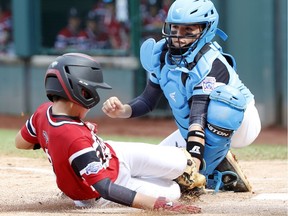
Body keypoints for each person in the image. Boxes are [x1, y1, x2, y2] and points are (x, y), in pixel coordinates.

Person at [102, 0, 261, 193]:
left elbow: (198, 116)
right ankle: (220, 173)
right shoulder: (161, 55)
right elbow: (147, 100)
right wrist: (123, 110)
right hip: (196, 128)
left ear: (206, 30)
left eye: (188, 30)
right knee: (151, 169)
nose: (178, 36)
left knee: (221, 108)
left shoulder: (211, 64)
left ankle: (206, 168)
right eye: (175, 28)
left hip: (241, 123)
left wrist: (191, 166)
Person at [14, 52, 203, 214]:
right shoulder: (73, 138)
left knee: (180, 162)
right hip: (100, 192)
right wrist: (158, 204)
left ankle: (170, 171)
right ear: (80, 92)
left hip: (114, 153)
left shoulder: (44, 111)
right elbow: (105, 189)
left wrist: (52, 144)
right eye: (91, 90)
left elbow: (21, 142)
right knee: (173, 192)